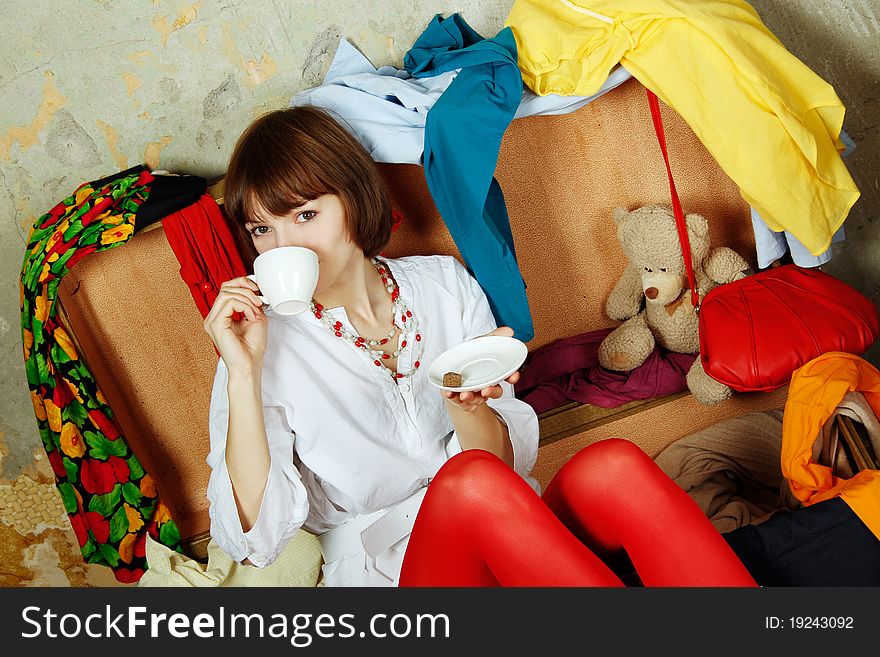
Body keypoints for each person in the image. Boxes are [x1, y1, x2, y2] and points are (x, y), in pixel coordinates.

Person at [203, 106, 756, 587]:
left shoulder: (443, 285)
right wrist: (244, 375)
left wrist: (465, 408)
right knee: (469, 484)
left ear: (351, 198)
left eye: (305, 215)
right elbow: (256, 537)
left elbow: (499, 468)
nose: (285, 247)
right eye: (261, 231)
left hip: (509, 529)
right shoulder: (256, 345)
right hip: (395, 579)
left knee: (610, 467)